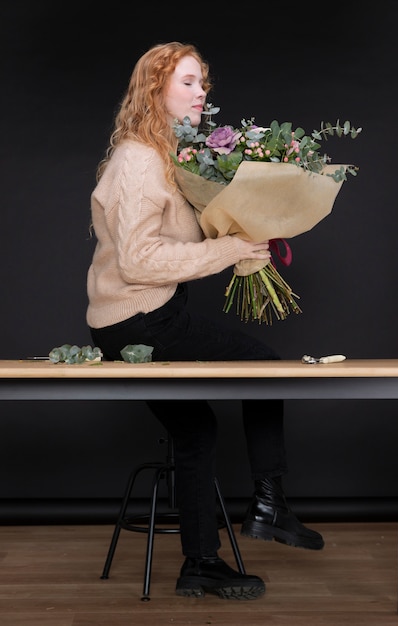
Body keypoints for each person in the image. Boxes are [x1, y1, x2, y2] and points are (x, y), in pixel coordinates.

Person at [86, 41, 324, 601]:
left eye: (203, 84)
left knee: (196, 431)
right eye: (189, 83)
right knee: (266, 366)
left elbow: (170, 242)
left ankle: (201, 564)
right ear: (155, 89)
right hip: (140, 319)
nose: (202, 93)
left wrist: (239, 242)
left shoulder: (163, 156)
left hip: (140, 317)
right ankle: (268, 507)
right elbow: (139, 261)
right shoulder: (139, 161)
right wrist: (229, 250)